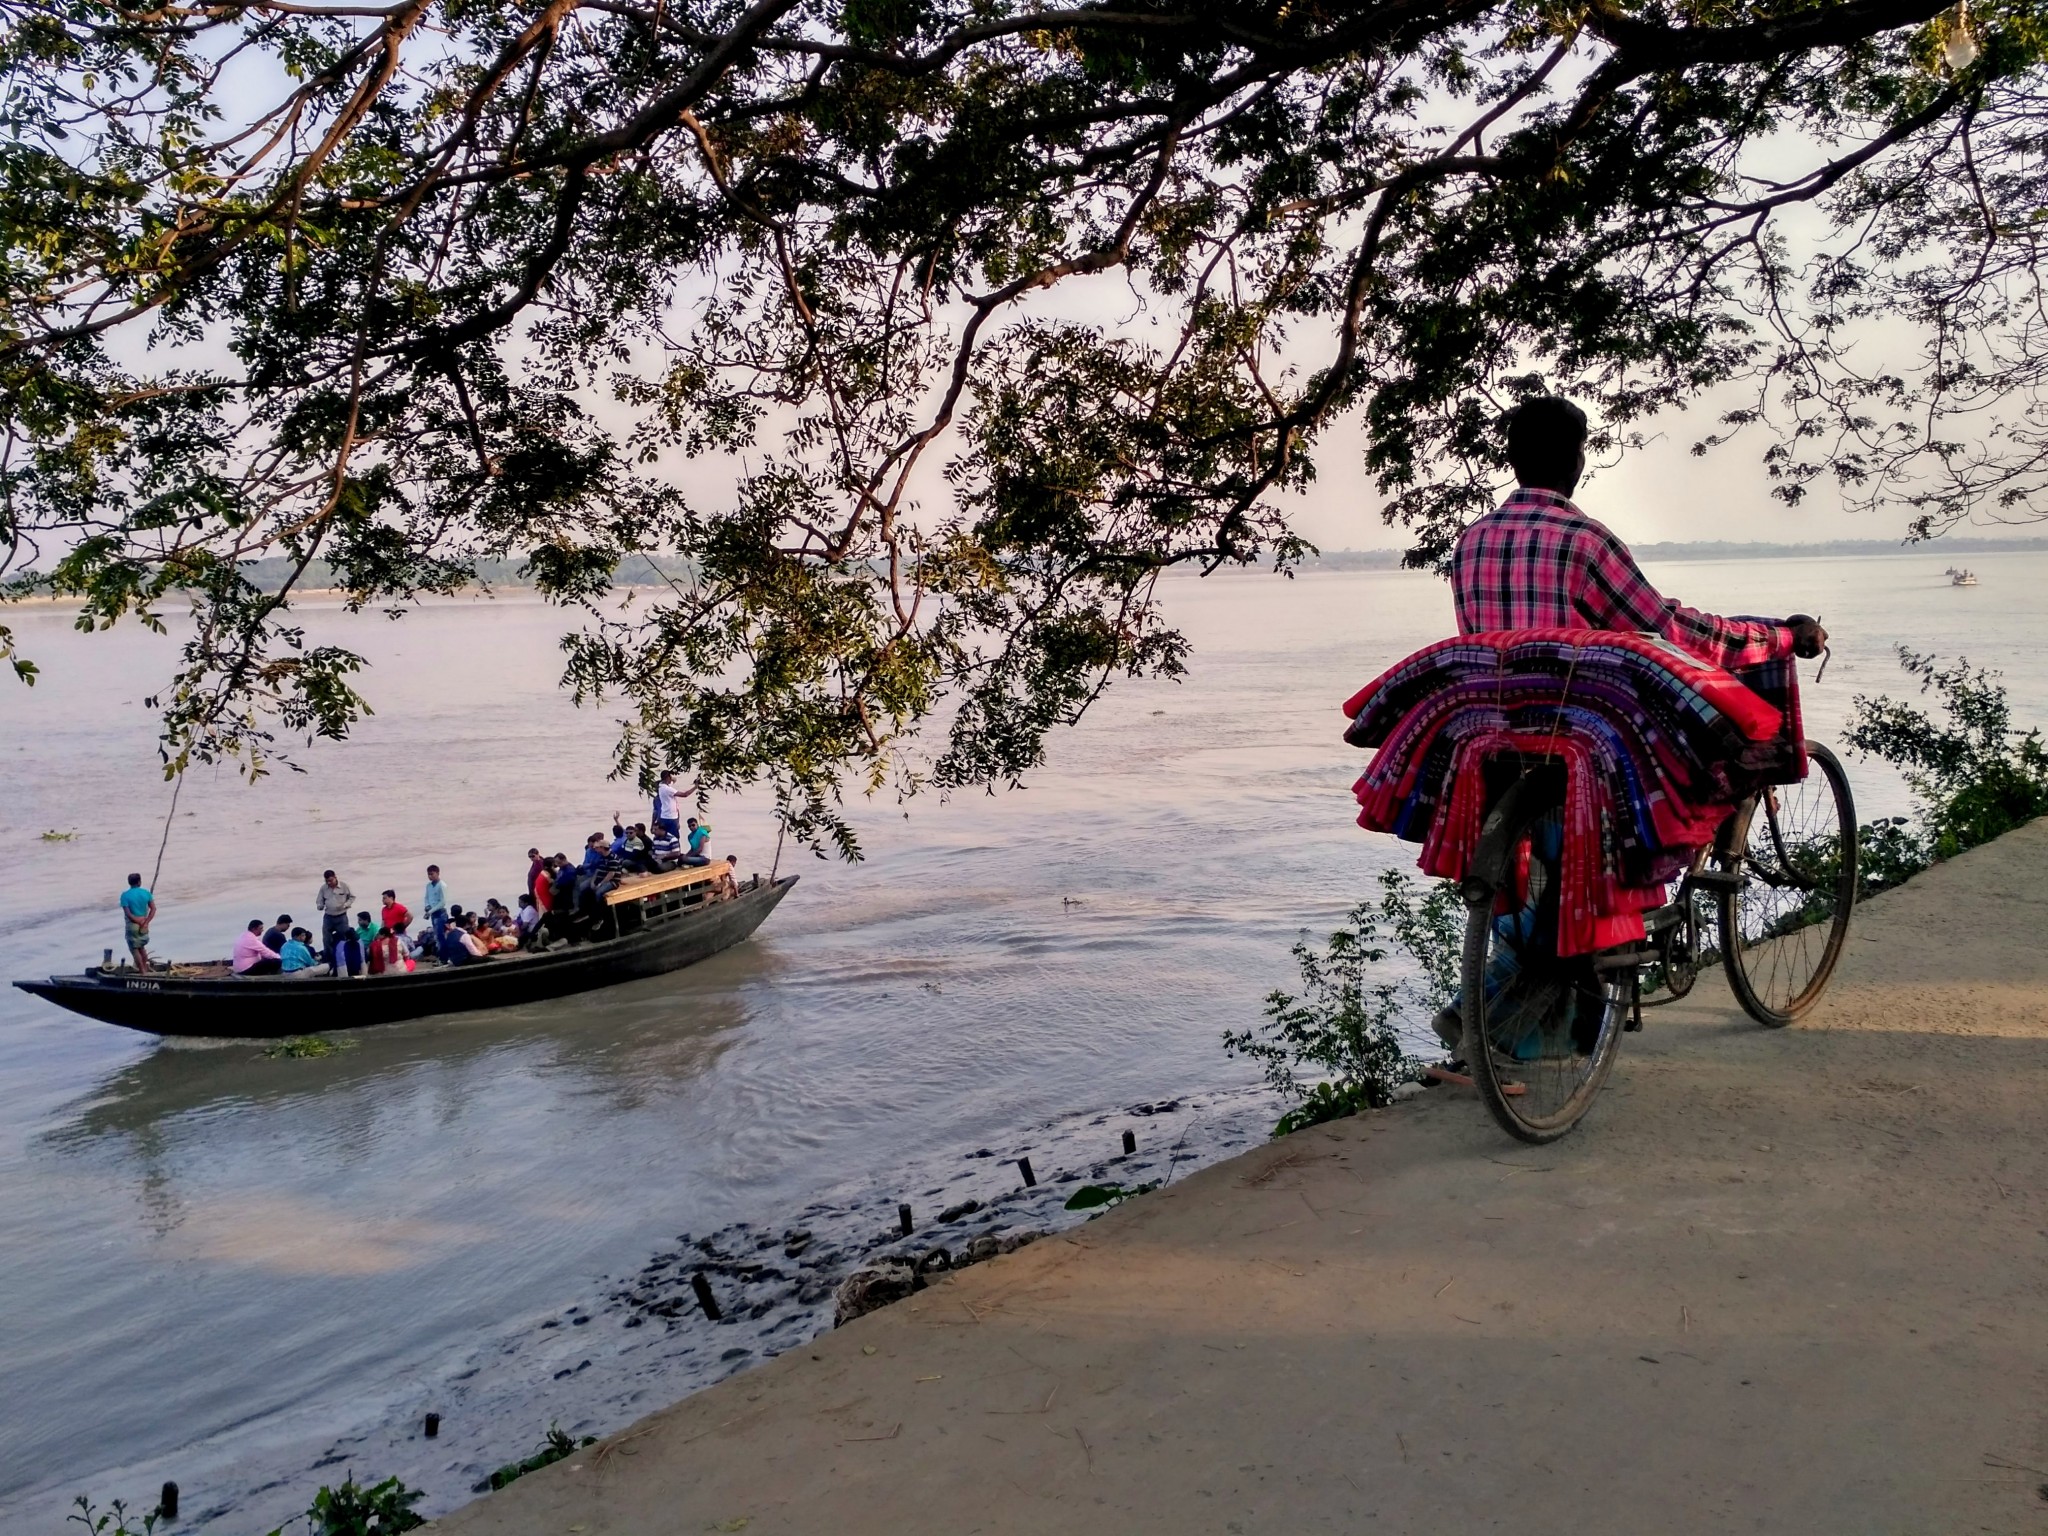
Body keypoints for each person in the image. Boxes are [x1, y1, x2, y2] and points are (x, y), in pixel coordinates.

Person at [1429, 395, 1830, 1053]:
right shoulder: (1585, 543)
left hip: (1500, 740)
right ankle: (1499, 1014)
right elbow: (1665, 630)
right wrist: (1774, 637)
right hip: (1584, 745)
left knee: (1541, 887)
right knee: (1696, 765)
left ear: (1513, 459)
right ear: (1577, 461)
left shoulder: (1471, 542)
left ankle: (1502, 1015)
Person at [313, 869, 355, 967]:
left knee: (344, 938)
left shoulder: (344, 886)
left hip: (341, 916)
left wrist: (346, 905)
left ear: (335, 877)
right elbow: (319, 900)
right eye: (327, 881)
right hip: (328, 917)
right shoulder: (323, 888)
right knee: (326, 940)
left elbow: (352, 897)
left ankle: (345, 960)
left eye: (331, 880)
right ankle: (329, 961)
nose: (329, 883)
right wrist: (320, 905)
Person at [118, 873, 156, 972]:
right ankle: (144, 969)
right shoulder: (146, 893)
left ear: (129, 883)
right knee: (141, 947)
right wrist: (146, 922)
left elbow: (128, 914)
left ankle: (142, 972)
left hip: (132, 925)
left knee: (134, 949)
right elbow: (153, 909)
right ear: (139, 882)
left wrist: (137, 921)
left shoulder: (125, 895)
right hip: (144, 924)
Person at [422, 865, 450, 952]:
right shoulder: (428, 886)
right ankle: (440, 956)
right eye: (428, 874)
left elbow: (442, 902)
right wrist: (427, 906)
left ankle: (444, 957)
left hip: (440, 913)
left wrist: (430, 911)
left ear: (438, 873)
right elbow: (426, 897)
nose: (430, 876)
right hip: (433, 913)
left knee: (441, 936)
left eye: (432, 874)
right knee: (436, 936)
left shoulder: (442, 885)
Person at [652, 771, 683, 842]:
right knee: (662, 838)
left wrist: (668, 778)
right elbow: (655, 812)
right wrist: (652, 824)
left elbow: (676, 810)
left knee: (674, 838)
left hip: (671, 818)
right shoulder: (657, 799)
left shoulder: (667, 790)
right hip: (661, 819)